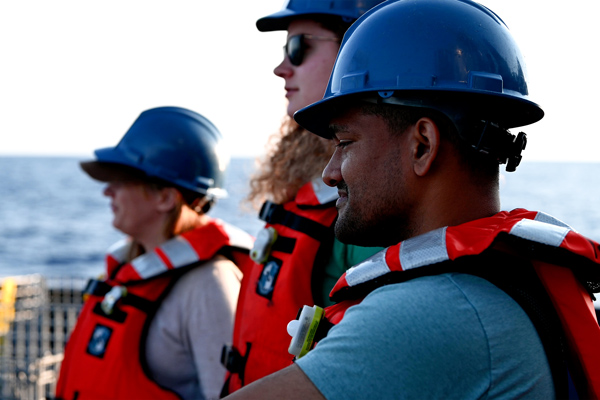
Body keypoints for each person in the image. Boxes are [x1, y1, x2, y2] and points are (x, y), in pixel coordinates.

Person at [225, 0, 600, 399]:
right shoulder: (500, 285)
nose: (330, 172)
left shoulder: (431, 314)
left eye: (346, 143)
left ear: (423, 145)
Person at [220, 0, 387, 393]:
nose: (281, 68)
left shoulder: (371, 203)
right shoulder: (307, 189)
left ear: (356, 49)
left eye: (299, 47)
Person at [55, 106, 254, 400]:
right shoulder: (132, 268)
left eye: (121, 180)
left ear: (165, 197)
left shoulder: (209, 285)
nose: (107, 192)